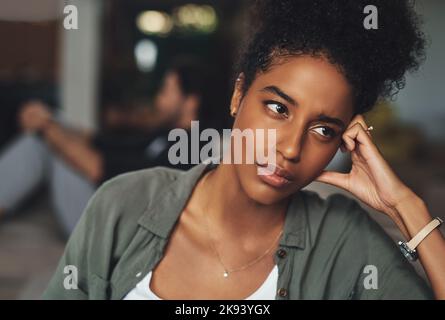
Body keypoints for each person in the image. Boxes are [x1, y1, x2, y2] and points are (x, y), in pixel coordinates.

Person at [44, 0, 444, 300]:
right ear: (238, 95)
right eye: (277, 108)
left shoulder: (345, 240)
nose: (290, 148)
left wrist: (405, 206)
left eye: (324, 129)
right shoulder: (123, 205)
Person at [0, 58, 212, 236]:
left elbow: (97, 169)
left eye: (166, 91)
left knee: (46, 143)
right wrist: (50, 120)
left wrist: (46, 127)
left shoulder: (189, 148)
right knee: (54, 129)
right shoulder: (164, 135)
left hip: (117, 232)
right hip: (109, 211)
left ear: (190, 102)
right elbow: (100, 141)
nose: (159, 98)